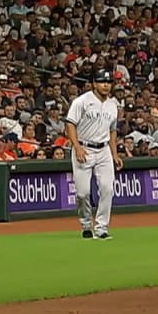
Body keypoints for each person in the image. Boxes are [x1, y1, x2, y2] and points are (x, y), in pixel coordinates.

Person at [64, 69, 124, 239]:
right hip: (84, 147)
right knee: (83, 193)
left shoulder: (113, 104)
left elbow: (112, 131)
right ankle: (85, 224)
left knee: (107, 188)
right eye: (102, 82)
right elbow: (70, 125)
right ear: (94, 84)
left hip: (104, 149)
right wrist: (77, 147)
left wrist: (114, 154)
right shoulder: (82, 101)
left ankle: (102, 228)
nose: (106, 85)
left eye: (108, 82)